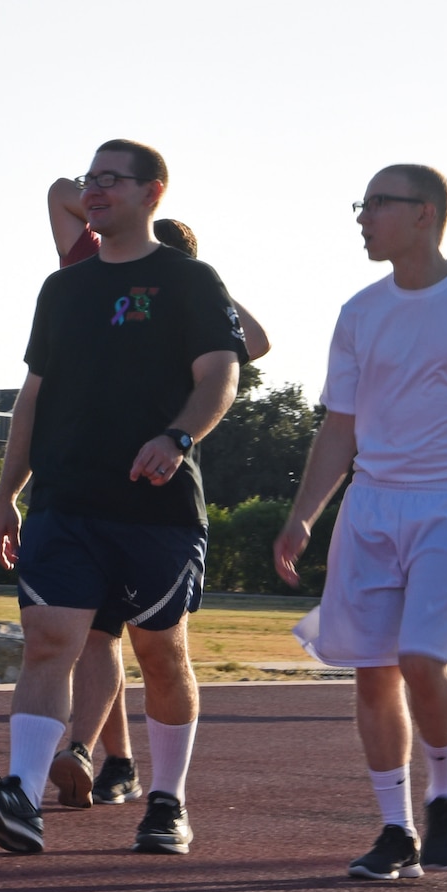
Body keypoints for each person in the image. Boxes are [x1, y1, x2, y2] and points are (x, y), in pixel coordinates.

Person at [0, 141, 249, 855]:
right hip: (63, 500)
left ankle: (168, 800)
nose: (96, 191)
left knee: (161, 653)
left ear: (154, 192)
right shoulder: (63, 289)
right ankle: (21, 796)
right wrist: (5, 494)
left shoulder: (190, 280)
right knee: (49, 641)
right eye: (91, 180)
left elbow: (221, 376)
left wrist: (177, 438)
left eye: (112, 180)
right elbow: (33, 398)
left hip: (155, 507)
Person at [273, 166, 447, 881]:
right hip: (372, 503)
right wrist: (304, 517)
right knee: (373, 673)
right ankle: (396, 830)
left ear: (424, 214)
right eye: (363, 204)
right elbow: (339, 425)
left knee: (423, 658)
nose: (363, 217)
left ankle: (446, 794)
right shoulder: (359, 311)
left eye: (377, 204)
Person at [43, 195, 273, 808]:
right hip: (83, 490)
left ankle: (128, 771)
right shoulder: (92, 271)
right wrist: (125, 206)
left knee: (146, 643)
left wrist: (199, 279)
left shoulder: (191, 296)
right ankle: (104, 756)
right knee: (97, 638)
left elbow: (257, 341)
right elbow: (59, 192)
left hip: (154, 496)